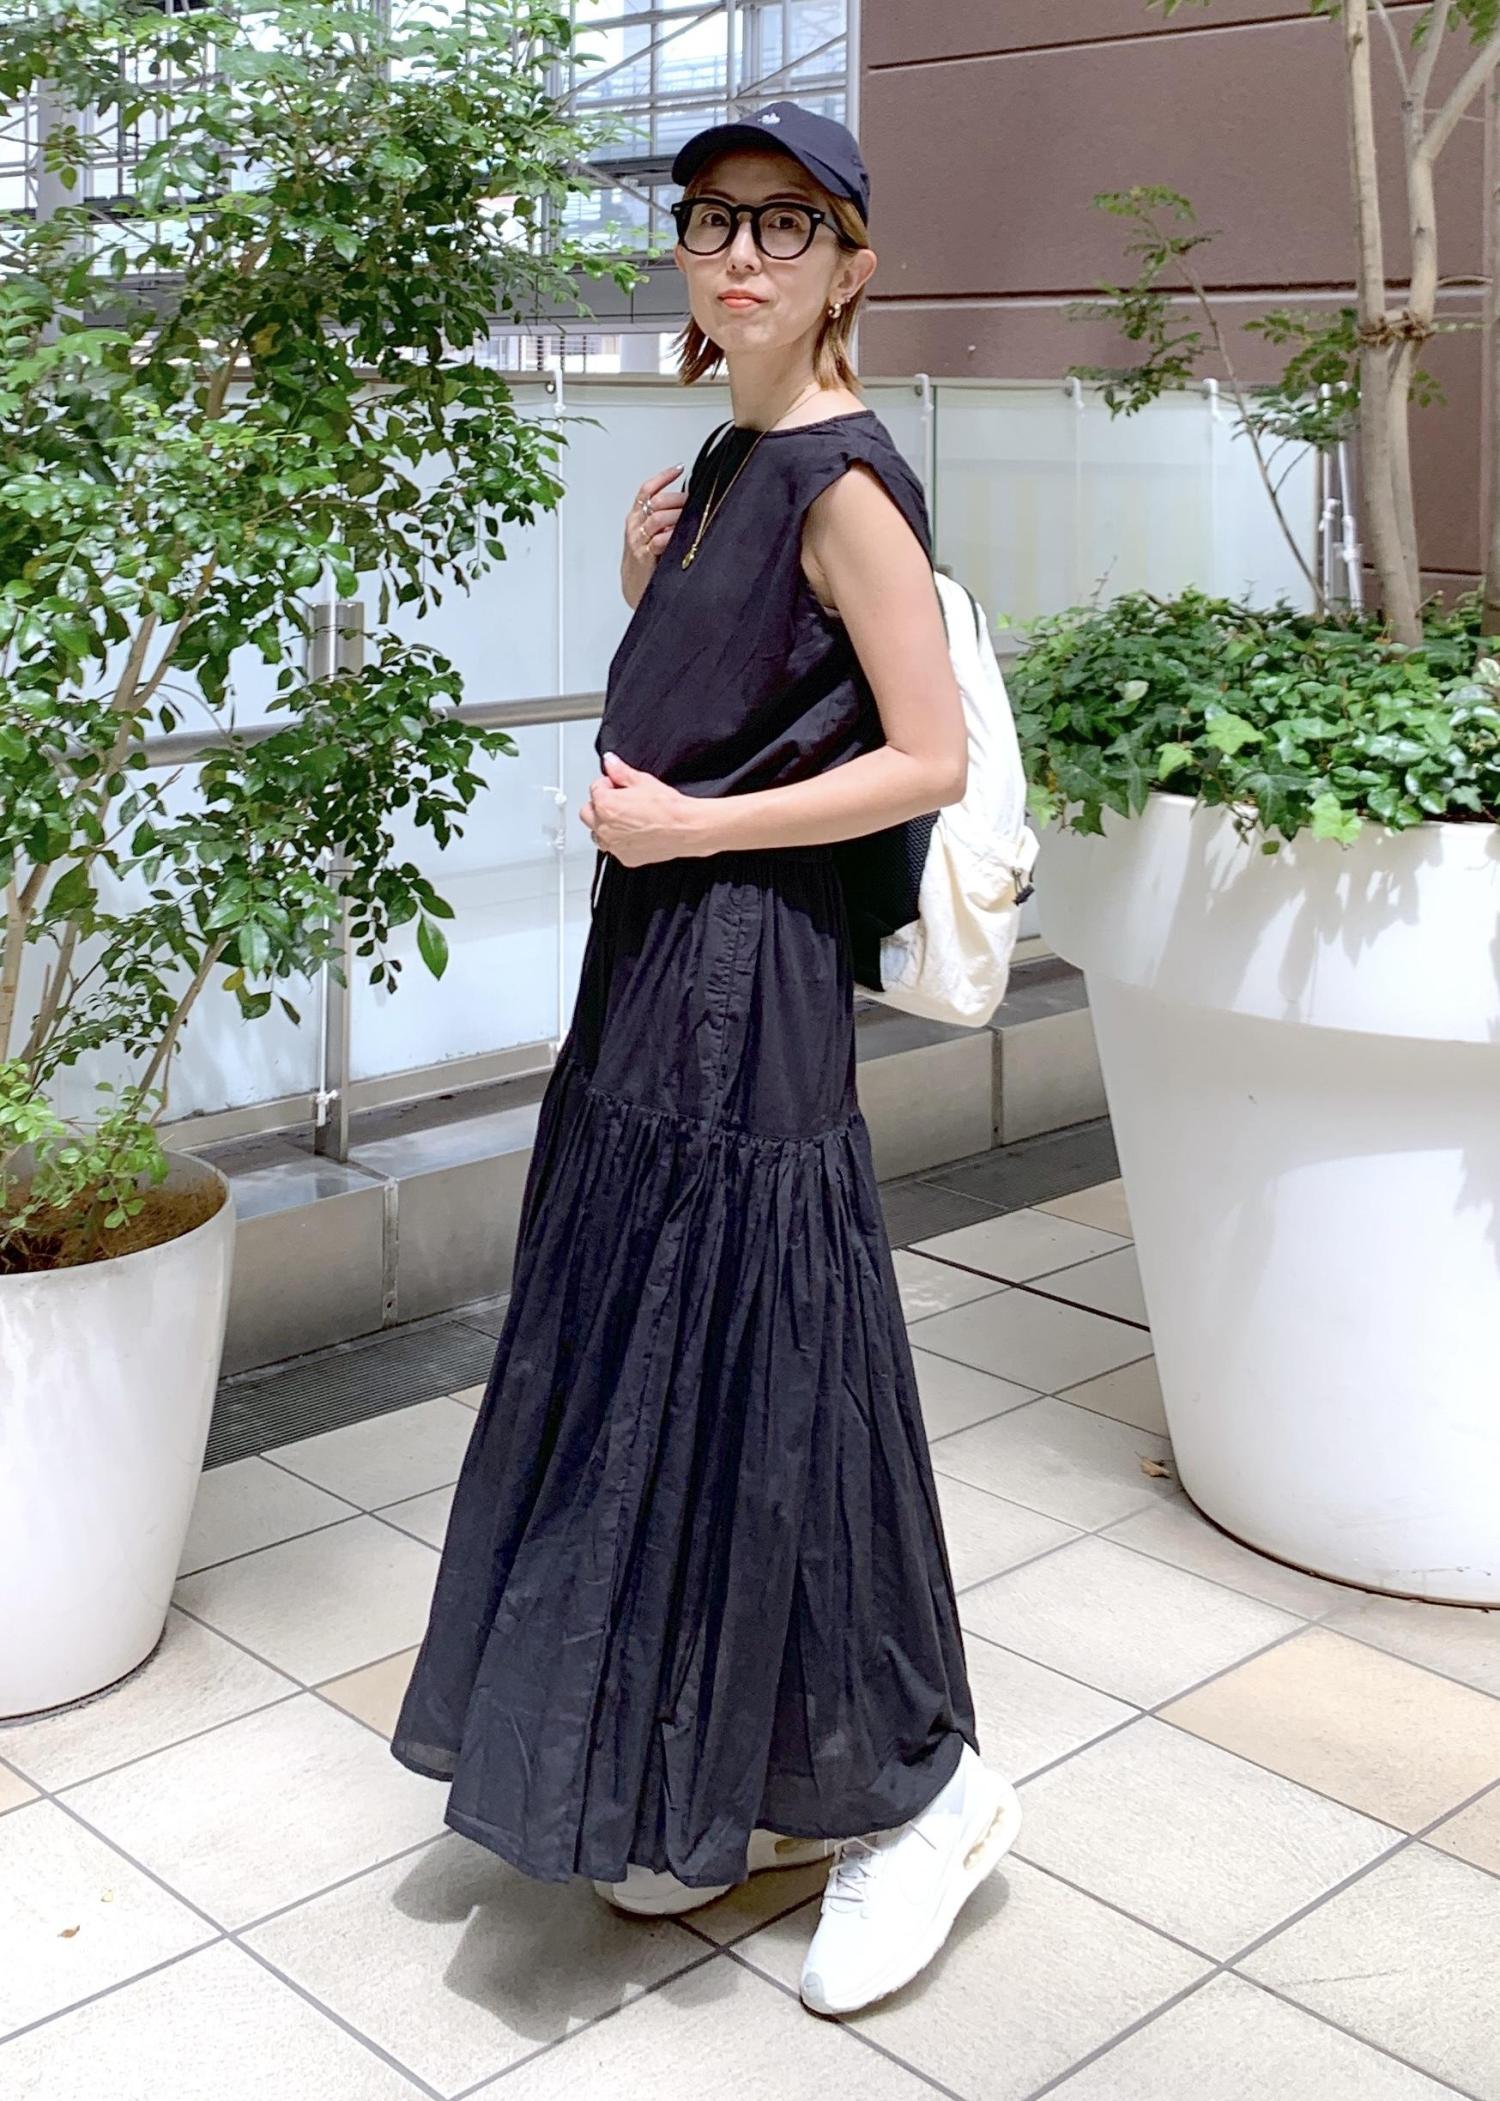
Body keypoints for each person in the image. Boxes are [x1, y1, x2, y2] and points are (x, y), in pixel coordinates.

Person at [391, 97, 1021, 2018]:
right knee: (682, 1359)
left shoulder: (842, 482)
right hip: (662, 965)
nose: (739, 252)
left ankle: (925, 1787)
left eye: (784, 222)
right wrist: (644, 579)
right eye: (710, 219)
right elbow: (739, 700)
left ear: (850, 265)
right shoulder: (733, 463)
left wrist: (691, 832)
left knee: (782, 1358)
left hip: (746, 978)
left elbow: (923, 756)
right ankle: (740, 1775)